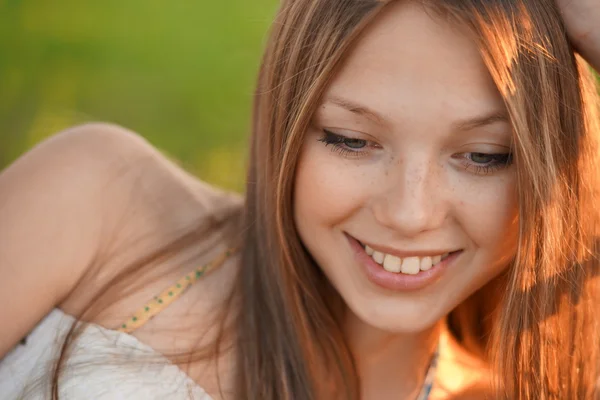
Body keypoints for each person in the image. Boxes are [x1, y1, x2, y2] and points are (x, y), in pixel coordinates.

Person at [1, 0, 599, 398]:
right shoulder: (100, 198)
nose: (409, 213)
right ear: (285, 124)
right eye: (351, 140)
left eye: (485, 155)